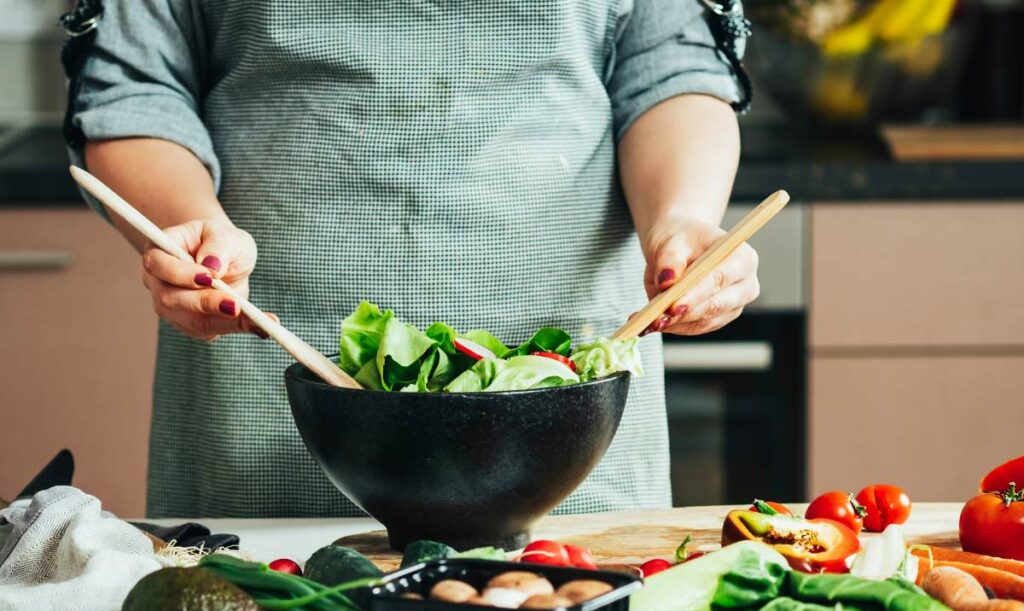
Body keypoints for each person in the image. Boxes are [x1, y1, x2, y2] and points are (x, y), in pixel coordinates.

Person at [62, 0, 760, 519]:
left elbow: (669, 69)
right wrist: (191, 226)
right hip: (268, 353)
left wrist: (682, 219)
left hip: (563, 395)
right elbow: (137, 84)